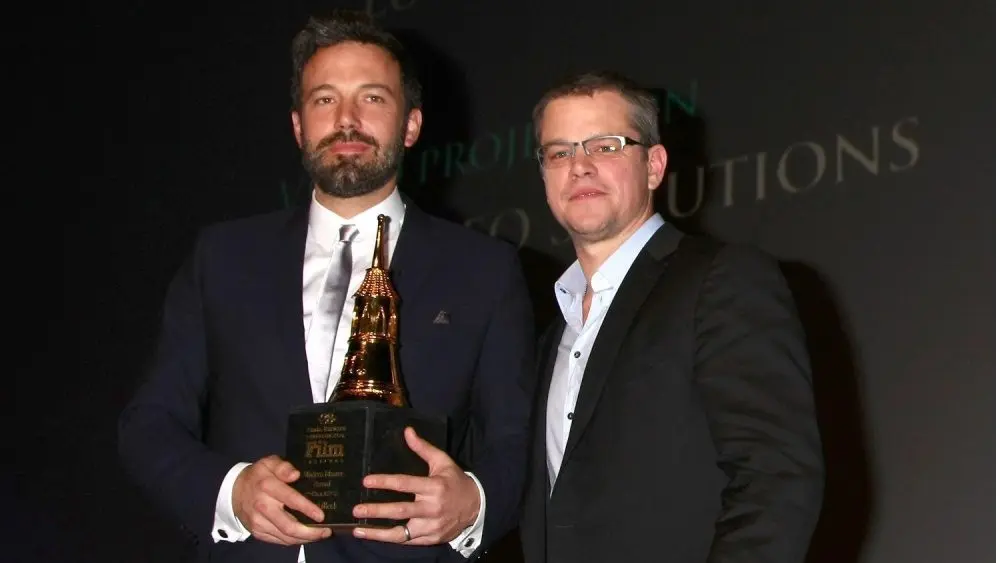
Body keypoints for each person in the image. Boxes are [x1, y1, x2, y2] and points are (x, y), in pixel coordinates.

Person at [118, 11, 535, 563]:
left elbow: (519, 442)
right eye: (324, 100)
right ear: (297, 125)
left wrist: (472, 505)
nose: (346, 119)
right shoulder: (222, 258)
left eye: (372, 98)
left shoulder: (486, 270)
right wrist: (231, 493)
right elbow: (149, 425)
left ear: (410, 124)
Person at [518, 70, 826, 563]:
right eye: (560, 152)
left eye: (605, 146)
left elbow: (776, 477)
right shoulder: (552, 329)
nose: (579, 167)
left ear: (654, 165)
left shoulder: (721, 280)